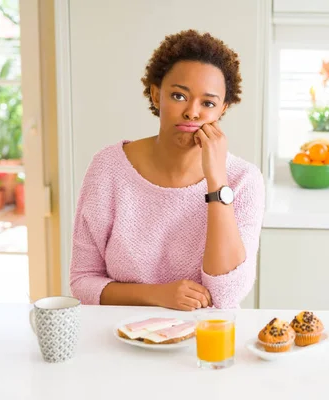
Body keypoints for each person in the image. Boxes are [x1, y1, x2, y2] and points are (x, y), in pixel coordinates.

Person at [69, 30, 265, 310]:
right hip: (120, 339)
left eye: (207, 103)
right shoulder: (108, 168)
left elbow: (227, 295)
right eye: (178, 95)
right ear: (156, 94)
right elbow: (82, 282)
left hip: (202, 343)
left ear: (222, 109)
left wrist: (216, 180)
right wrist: (158, 295)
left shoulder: (243, 180)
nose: (192, 112)